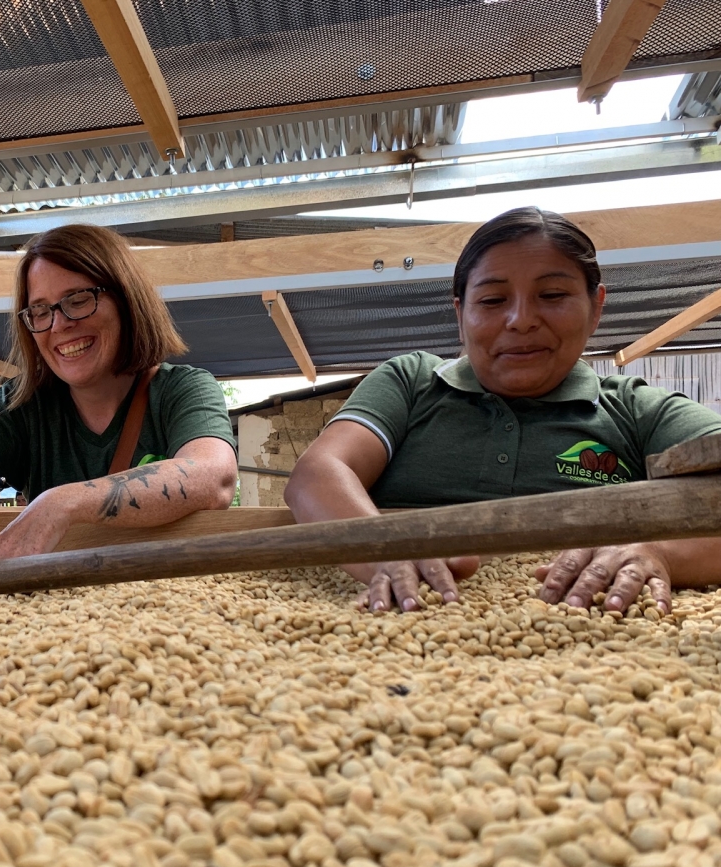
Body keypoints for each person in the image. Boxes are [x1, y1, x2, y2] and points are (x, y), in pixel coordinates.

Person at [285, 207, 721, 613]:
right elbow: (317, 474)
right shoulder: (413, 382)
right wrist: (383, 550)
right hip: (399, 614)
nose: (521, 320)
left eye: (552, 295)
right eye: (492, 301)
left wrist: (661, 551)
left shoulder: (636, 409)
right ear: (461, 314)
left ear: (596, 309)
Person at [0, 224, 238, 561]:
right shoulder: (22, 405)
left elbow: (214, 477)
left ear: (126, 301)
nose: (59, 325)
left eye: (78, 299)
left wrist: (63, 504)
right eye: (40, 310)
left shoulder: (182, 389)